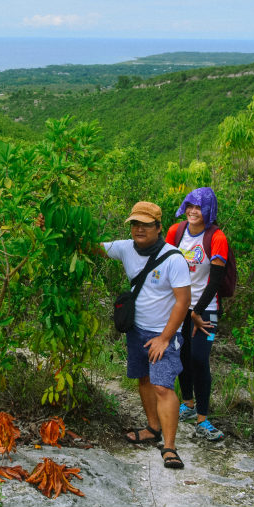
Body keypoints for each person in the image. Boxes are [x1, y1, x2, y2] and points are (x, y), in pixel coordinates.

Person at [102, 201, 191, 469]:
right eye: (135, 224)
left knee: (163, 386)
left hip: (163, 333)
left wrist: (165, 338)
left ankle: (170, 447)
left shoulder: (174, 258)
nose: (139, 229)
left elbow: (183, 301)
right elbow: (90, 246)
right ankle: (153, 429)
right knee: (144, 380)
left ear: (159, 227)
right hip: (136, 330)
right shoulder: (126, 248)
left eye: (146, 224)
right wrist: (53, 225)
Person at [166, 187, 229, 442]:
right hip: (179, 306)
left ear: (209, 211)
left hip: (206, 309)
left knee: (200, 358)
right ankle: (188, 405)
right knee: (182, 355)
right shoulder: (175, 231)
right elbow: (165, 265)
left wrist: (197, 312)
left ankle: (203, 419)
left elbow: (215, 281)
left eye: (200, 207)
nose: (194, 211)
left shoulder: (217, 238)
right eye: (190, 205)